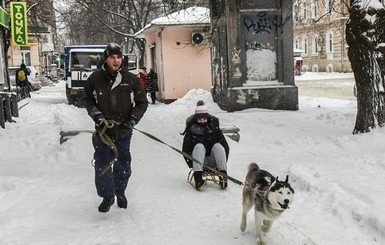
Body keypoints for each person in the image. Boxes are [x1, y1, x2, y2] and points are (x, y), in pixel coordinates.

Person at [83, 43, 148, 213]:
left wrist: (133, 119)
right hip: (103, 131)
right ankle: (107, 196)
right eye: (112, 57)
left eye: (119, 57)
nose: (116, 60)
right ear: (106, 58)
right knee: (102, 164)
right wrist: (97, 115)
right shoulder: (94, 78)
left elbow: (142, 102)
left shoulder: (131, 79)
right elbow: (87, 100)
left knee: (123, 164)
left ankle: (120, 192)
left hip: (124, 130)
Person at [182, 102, 230, 190]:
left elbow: (225, 147)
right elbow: (186, 149)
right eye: (200, 120)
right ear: (196, 119)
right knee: (199, 146)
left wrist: (223, 161)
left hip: (212, 162)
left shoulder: (214, 128)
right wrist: (192, 164)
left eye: (204, 119)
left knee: (217, 146)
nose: (202, 121)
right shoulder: (191, 130)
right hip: (198, 162)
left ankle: (223, 177)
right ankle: (198, 179)